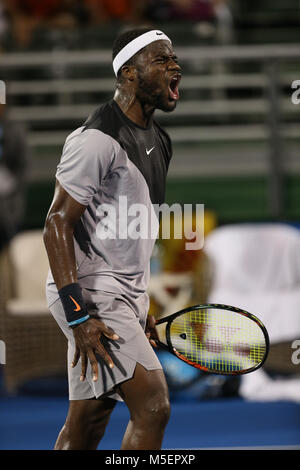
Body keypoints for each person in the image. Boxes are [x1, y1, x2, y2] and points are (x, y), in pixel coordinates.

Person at [43, 26, 181, 450]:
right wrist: (80, 315)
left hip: (121, 296)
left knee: (87, 424)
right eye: (161, 60)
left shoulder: (160, 140)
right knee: (154, 407)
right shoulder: (97, 138)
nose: (175, 66)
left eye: (173, 58)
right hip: (88, 294)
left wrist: (143, 305)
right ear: (129, 74)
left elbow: (130, 232)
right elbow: (56, 226)